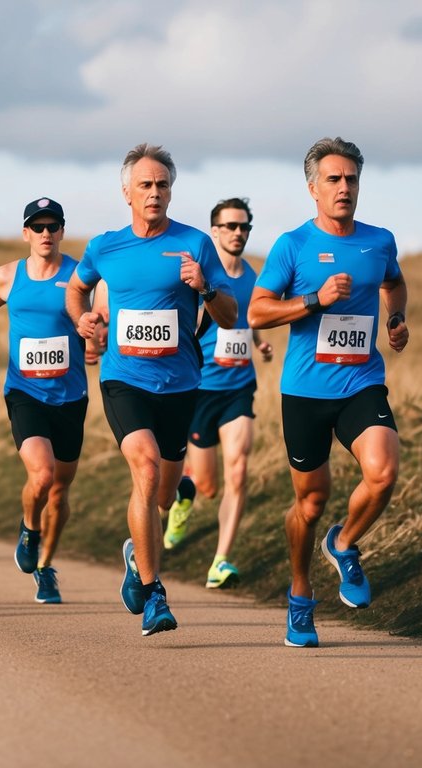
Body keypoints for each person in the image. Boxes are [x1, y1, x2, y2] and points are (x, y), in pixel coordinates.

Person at [65, 143, 236, 636]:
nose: (155, 193)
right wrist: (84, 321)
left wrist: (204, 287)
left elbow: (228, 316)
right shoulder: (105, 247)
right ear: (127, 193)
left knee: (162, 495)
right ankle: (156, 592)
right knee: (143, 468)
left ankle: (134, 552)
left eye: (162, 184)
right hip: (124, 380)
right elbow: (77, 290)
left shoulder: (195, 244)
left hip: (181, 384)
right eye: (145, 185)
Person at [247, 136, 409, 648]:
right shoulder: (292, 246)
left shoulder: (378, 241)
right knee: (310, 503)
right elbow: (257, 312)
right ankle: (300, 595)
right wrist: (315, 299)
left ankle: (343, 543)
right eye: (334, 180)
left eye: (352, 179)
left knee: (382, 473)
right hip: (305, 393)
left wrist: (397, 318)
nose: (345, 188)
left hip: (361, 381)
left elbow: (394, 283)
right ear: (313, 189)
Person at [0, 198, 88, 604]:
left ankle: (45, 567)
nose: (44, 234)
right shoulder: (6, 276)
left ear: (61, 231)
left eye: (51, 226)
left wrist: (97, 334)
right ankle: (28, 528)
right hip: (24, 392)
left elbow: (100, 314)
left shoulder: (80, 276)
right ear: (26, 233)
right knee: (41, 476)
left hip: (71, 396)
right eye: (36, 227)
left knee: (59, 492)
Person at [163, 198, 275, 591]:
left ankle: (220, 560)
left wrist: (259, 344)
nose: (238, 233)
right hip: (200, 389)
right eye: (230, 226)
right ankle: (185, 495)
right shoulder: (198, 276)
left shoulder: (253, 276)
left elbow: (249, 318)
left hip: (238, 388)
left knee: (239, 470)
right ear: (215, 231)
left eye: (244, 226)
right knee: (208, 485)